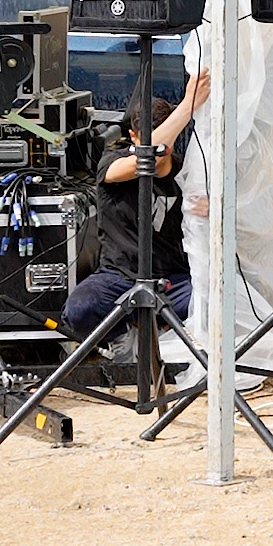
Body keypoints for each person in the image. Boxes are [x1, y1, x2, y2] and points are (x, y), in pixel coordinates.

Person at [63, 69, 213, 349]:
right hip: (119, 276)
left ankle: (163, 336)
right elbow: (146, 159)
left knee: (211, 305)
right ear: (133, 137)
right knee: (79, 311)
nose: (158, 151)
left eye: (165, 141)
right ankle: (123, 339)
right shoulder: (114, 162)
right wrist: (188, 106)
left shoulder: (188, 175)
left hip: (174, 279)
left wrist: (213, 210)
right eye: (145, 141)